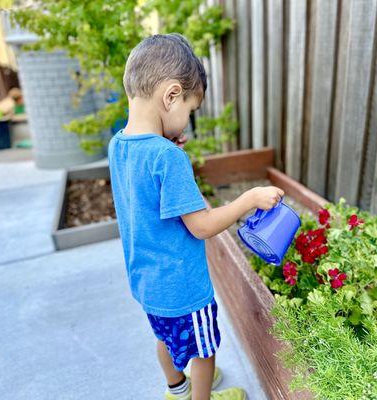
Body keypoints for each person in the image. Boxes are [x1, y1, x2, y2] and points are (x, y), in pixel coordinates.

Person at [108, 33, 284, 400]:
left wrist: (163, 144)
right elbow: (201, 226)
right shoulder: (169, 158)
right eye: (190, 109)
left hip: (146, 283)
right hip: (183, 289)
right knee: (204, 351)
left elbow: (144, 192)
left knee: (165, 338)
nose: (187, 122)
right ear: (171, 95)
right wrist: (249, 198)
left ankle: (177, 389)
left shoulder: (119, 144)